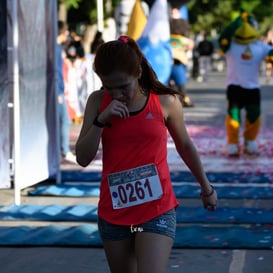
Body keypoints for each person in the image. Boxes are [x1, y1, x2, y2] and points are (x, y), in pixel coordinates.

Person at [75, 35, 217, 273]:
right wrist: (101, 120)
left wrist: (206, 187)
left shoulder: (165, 102)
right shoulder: (98, 102)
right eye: (109, 86)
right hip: (114, 210)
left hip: (156, 208)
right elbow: (82, 158)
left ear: (138, 72)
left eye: (123, 86)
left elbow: (185, 145)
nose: (117, 93)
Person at [218, 12, 273, 156]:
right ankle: (233, 144)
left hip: (253, 87)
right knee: (233, 116)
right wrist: (236, 23)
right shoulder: (230, 45)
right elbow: (222, 40)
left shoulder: (260, 46)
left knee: (254, 115)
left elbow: (270, 53)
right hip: (234, 85)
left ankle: (249, 142)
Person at [57, 21, 76, 163]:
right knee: (64, 120)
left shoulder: (57, 49)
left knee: (63, 120)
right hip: (57, 92)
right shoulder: (56, 49)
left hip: (58, 90)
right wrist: (58, 92)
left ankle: (62, 149)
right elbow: (56, 72)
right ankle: (64, 150)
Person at [169, 11, 195, 107]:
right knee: (181, 82)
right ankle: (184, 98)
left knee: (167, 82)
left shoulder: (167, 37)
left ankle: (170, 99)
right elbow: (190, 45)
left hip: (167, 60)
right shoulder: (182, 39)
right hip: (178, 61)